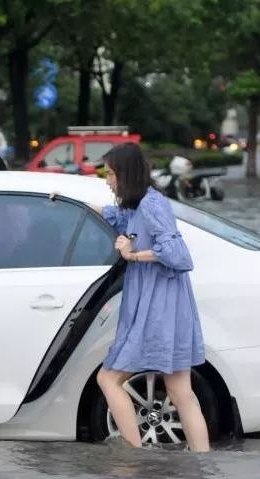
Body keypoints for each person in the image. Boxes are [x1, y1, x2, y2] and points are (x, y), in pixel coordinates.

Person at [69, 142, 209, 452]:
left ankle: (132, 457)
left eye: (110, 173)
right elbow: (114, 216)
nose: (107, 180)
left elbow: (178, 254)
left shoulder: (150, 204)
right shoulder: (139, 205)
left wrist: (132, 255)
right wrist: (70, 202)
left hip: (156, 306)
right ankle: (203, 464)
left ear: (124, 174)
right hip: (163, 304)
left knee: (108, 379)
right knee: (180, 390)